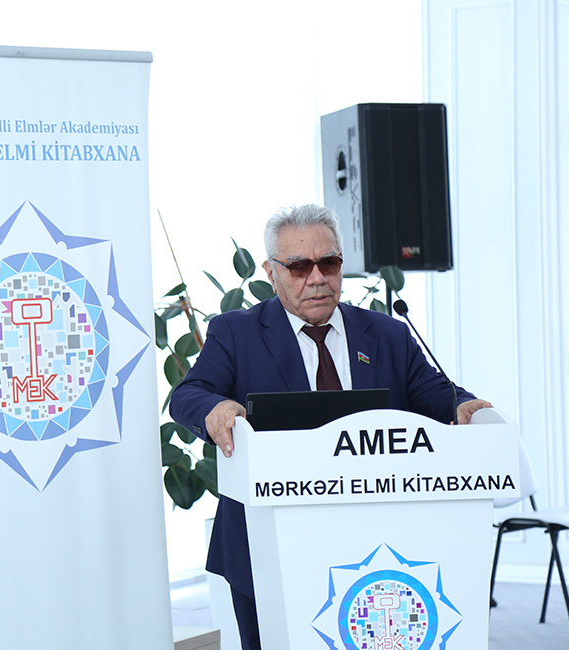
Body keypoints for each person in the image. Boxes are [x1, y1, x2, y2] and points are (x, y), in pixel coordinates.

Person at [169, 204, 491, 650]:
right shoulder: (236, 332)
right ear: (271, 272)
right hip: (266, 546)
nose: (317, 278)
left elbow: (436, 392)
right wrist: (216, 408)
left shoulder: (387, 333)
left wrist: (464, 406)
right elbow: (188, 395)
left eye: (329, 263)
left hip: (375, 546)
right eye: (299, 266)